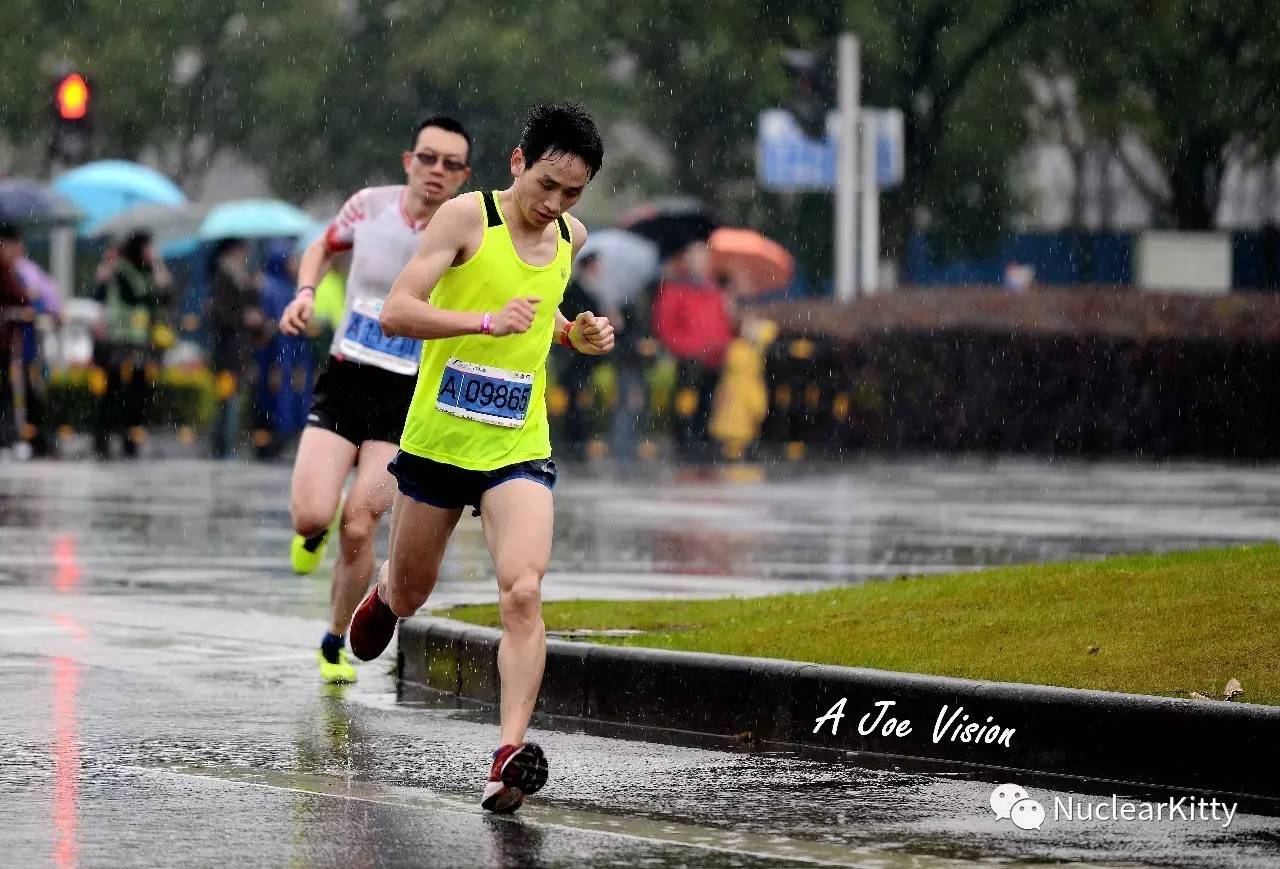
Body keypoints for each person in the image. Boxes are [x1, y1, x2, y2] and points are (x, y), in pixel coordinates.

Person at [347, 101, 611, 813]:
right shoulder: (468, 218)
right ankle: (385, 595)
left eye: (572, 194)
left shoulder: (570, 237)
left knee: (522, 591)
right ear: (517, 162)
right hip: (437, 444)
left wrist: (572, 335)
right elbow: (399, 309)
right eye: (546, 185)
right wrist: (482, 323)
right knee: (412, 592)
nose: (553, 205)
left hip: (517, 446)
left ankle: (505, 758)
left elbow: (537, 302)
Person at [277, 116, 474, 684]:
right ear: (408, 160)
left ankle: (333, 642)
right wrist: (306, 293)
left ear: (464, 176)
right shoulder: (369, 206)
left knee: (360, 525)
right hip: (345, 379)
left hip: (405, 399)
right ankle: (310, 533)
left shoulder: (465, 232)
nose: (436, 171)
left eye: (450, 164)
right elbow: (323, 246)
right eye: (428, 158)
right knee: (314, 513)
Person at [91, 231, 173, 459]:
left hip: (139, 340)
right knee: (114, 389)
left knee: (139, 391)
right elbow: (141, 295)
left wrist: (158, 266)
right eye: (149, 248)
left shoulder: (146, 270)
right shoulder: (121, 270)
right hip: (118, 339)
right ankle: (104, 438)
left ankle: (131, 438)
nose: (151, 252)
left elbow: (164, 296)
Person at [652, 240, 735, 457]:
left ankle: (701, 438)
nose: (702, 263)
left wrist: (721, 344)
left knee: (707, 402)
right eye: (697, 258)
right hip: (690, 358)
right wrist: (687, 348)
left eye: (704, 258)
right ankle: (686, 440)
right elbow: (666, 326)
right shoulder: (676, 289)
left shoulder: (714, 290)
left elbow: (722, 323)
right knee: (687, 401)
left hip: (714, 358)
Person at [206, 237, 265, 459]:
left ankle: (226, 445)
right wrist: (243, 317)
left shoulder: (241, 278)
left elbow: (248, 307)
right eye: (241, 251)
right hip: (227, 352)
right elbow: (221, 314)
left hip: (240, 351)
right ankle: (223, 447)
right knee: (227, 400)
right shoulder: (222, 278)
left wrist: (253, 288)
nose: (244, 256)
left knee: (234, 399)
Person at [0, 223, 33, 455]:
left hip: (5, 341)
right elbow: (19, 299)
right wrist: (20, 310)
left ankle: (8, 437)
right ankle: (7, 439)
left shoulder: (10, 270)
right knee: (5, 392)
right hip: (2, 340)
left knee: (7, 390)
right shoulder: (3, 271)